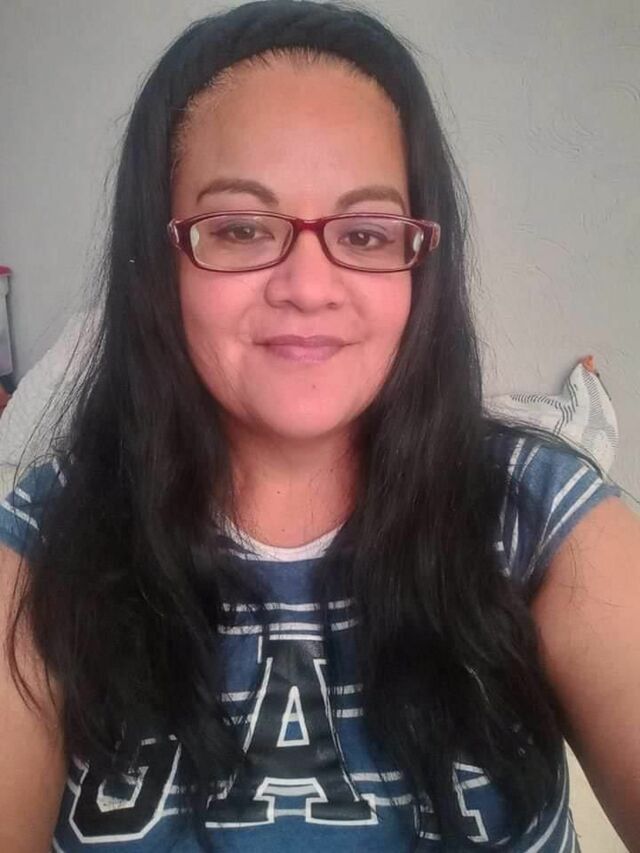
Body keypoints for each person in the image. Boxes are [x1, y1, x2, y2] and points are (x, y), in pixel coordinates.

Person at [1, 1, 639, 851]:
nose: (308, 285)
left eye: (367, 233)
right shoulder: (49, 538)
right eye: (239, 227)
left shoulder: (542, 515)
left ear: (420, 263)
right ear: (159, 259)